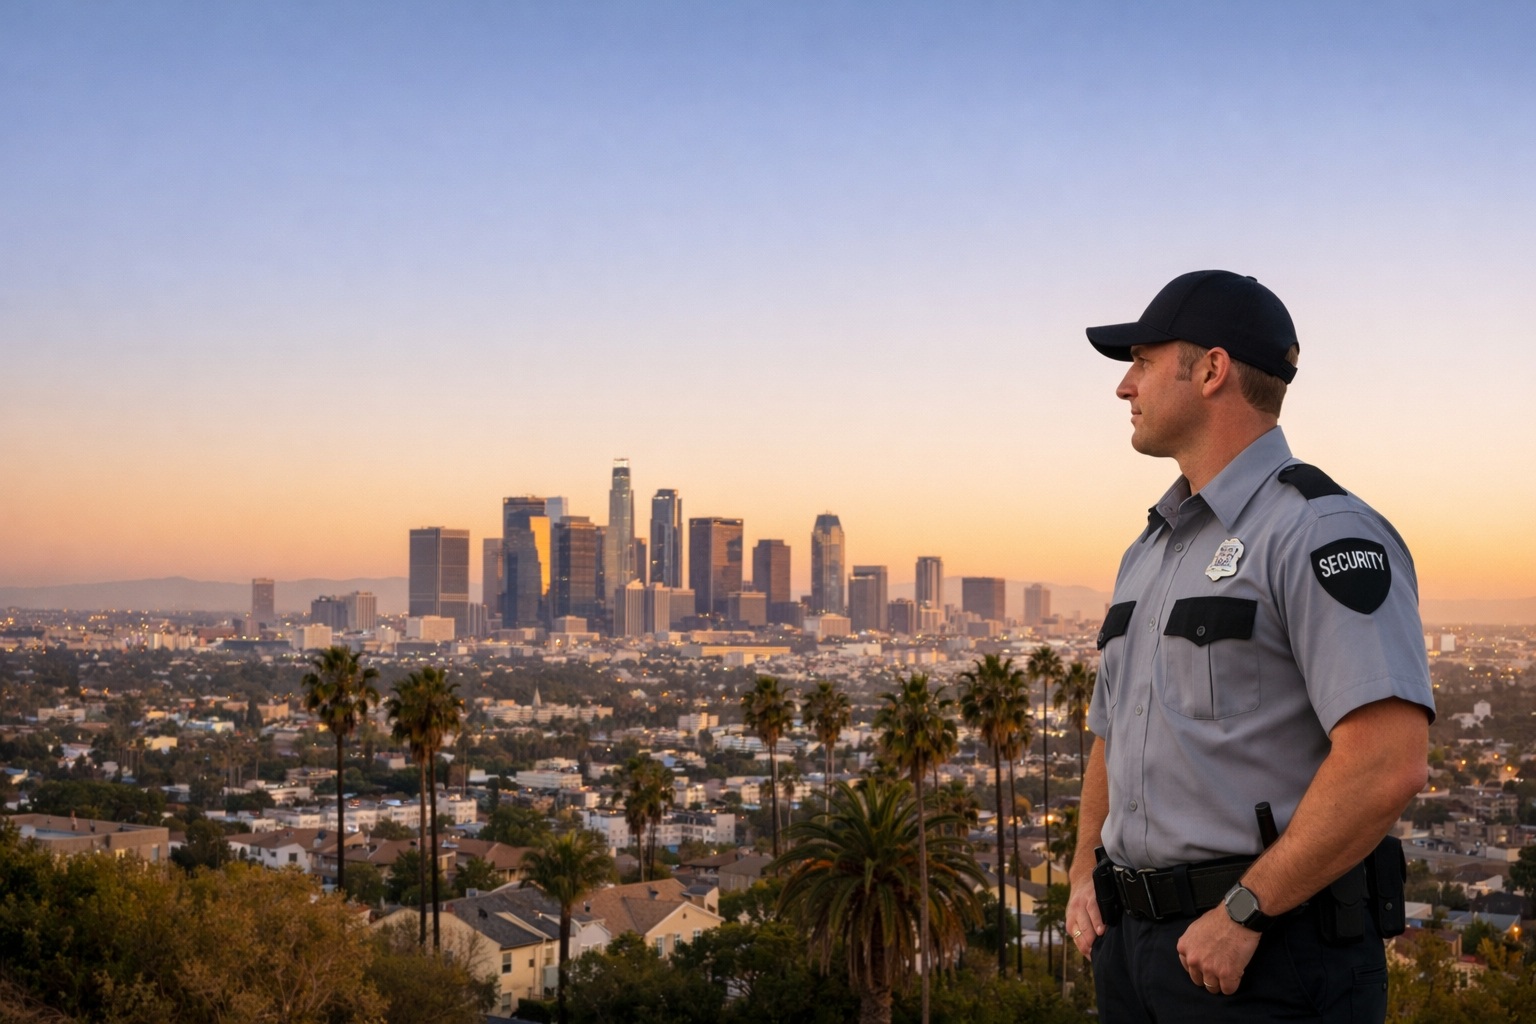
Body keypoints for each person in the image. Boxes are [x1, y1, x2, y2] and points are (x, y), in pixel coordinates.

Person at [1065, 270, 1435, 1022]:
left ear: (1211, 370)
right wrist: (1083, 874)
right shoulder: (1152, 549)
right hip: (1138, 955)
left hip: (1267, 958)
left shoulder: (1320, 530)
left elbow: (1386, 761)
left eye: (1139, 360)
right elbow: (1114, 729)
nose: (1123, 388)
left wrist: (1244, 912)